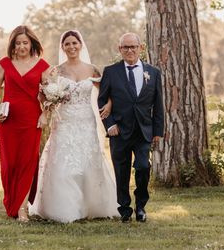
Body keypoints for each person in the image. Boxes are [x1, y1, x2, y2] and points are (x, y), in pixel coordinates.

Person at [29, 30, 118, 222]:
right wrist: (49, 103)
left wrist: (109, 104)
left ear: (81, 44)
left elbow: (105, 91)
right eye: (67, 44)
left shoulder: (92, 69)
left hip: (86, 121)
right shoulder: (56, 71)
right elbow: (42, 94)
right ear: (62, 47)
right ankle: (65, 209)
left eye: (74, 43)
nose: (71, 47)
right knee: (65, 165)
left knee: (88, 163)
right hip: (64, 122)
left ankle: (92, 206)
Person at [98, 33, 164, 223]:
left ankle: (141, 205)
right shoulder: (111, 72)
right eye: (125, 47)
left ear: (140, 48)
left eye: (133, 47)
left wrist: (158, 131)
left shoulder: (153, 72)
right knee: (121, 171)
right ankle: (124, 208)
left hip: (144, 131)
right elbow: (102, 99)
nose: (129, 50)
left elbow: (158, 104)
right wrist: (109, 125)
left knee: (144, 167)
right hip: (119, 131)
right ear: (120, 49)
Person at [0, 25, 49, 222]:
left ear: (31, 43)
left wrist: (45, 114)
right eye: (18, 43)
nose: (22, 46)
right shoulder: (5, 64)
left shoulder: (42, 66)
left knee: (27, 162)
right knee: (10, 163)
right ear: (13, 45)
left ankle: (22, 209)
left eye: (25, 42)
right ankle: (11, 202)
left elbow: (49, 95)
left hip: (31, 120)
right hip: (9, 120)